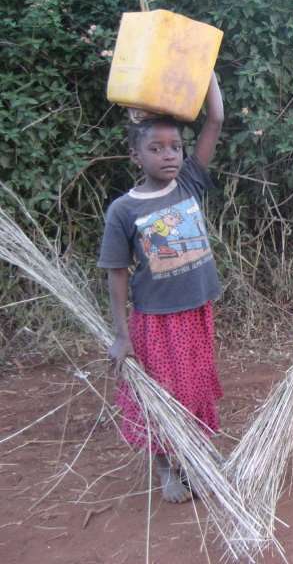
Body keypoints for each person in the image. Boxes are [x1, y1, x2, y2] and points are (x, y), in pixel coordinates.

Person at [98, 73, 224, 503]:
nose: (169, 155)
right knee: (163, 394)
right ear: (135, 155)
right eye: (156, 148)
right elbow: (116, 272)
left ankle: (194, 457)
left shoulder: (187, 182)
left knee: (195, 388)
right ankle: (166, 466)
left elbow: (216, 120)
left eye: (175, 147)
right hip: (154, 320)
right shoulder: (124, 210)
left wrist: (205, 72)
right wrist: (121, 334)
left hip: (197, 310)